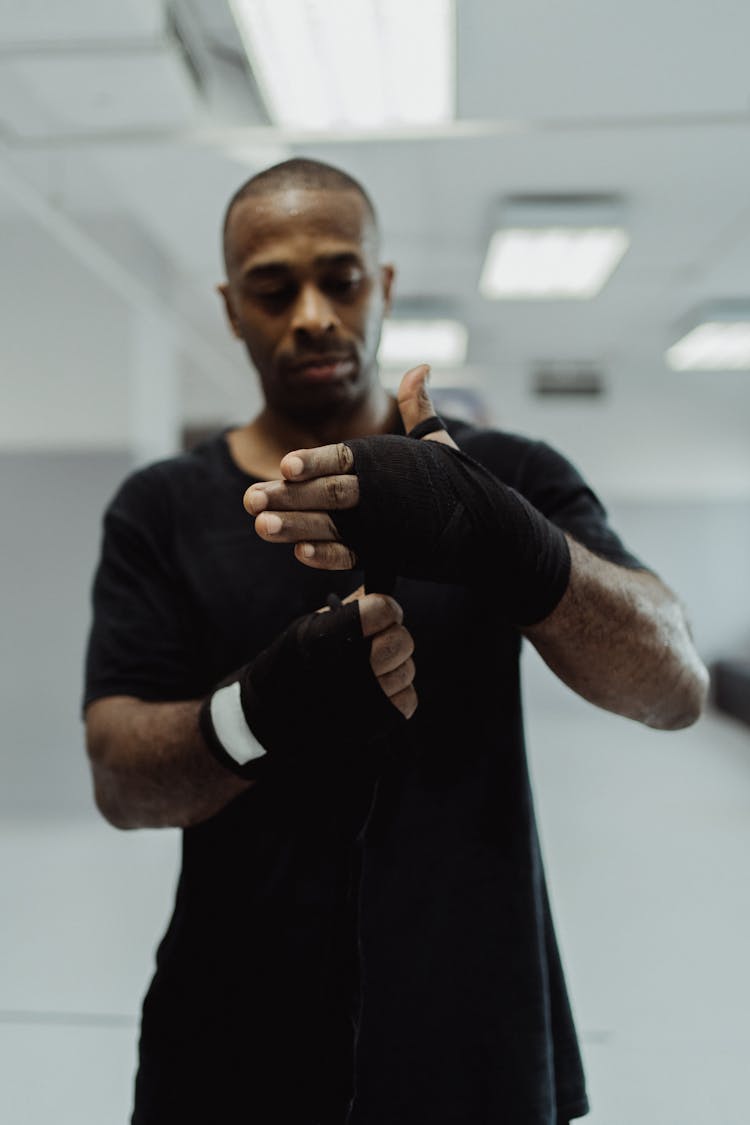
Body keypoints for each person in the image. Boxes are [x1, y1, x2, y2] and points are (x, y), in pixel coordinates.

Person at [83, 157, 708, 1125]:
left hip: (475, 1036)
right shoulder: (159, 510)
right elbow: (121, 778)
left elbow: (675, 684)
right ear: (229, 306)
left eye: (339, 277)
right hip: (230, 1041)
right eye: (272, 286)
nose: (312, 315)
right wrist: (260, 710)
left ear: (382, 286)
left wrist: (510, 544)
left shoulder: (503, 475)